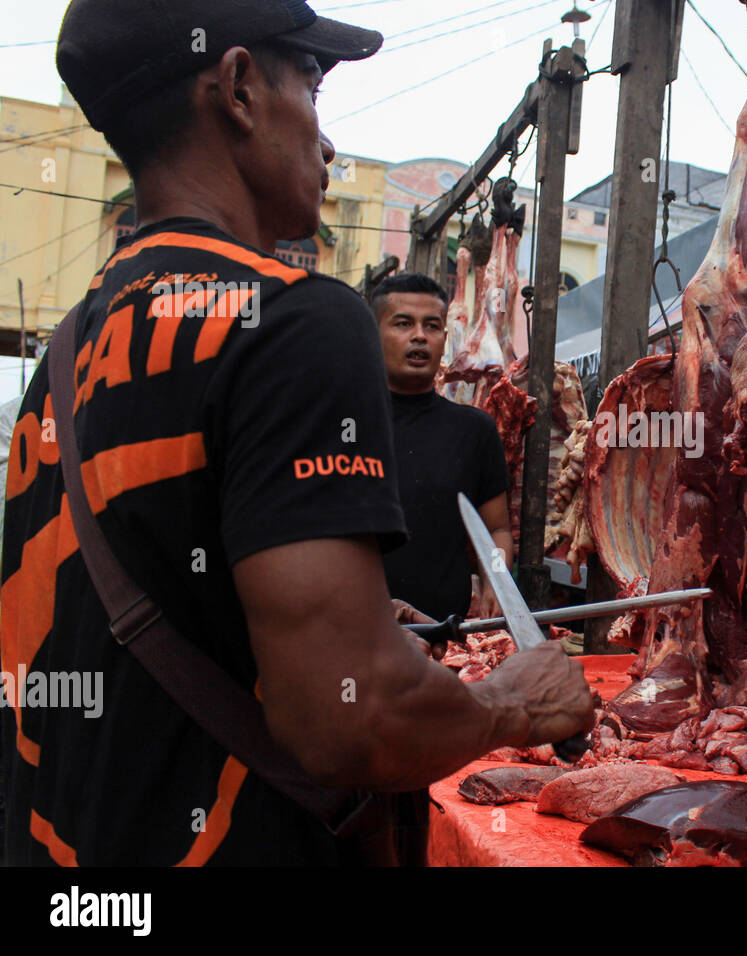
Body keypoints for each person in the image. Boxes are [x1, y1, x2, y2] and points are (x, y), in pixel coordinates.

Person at [0, 0, 593, 866]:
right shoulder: (292, 318)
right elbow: (351, 717)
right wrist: (515, 702)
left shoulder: (66, 350)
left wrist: (340, 619)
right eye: (312, 89)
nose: (328, 142)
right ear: (239, 88)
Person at [369, 273, 512, 624]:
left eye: (431, 326)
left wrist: (497, 583)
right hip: (357, 630)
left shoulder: (475, 430)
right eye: (403, 324)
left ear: (444, 339)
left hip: (445, 637)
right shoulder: (341, 425)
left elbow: (496, 530)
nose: (419, 336)